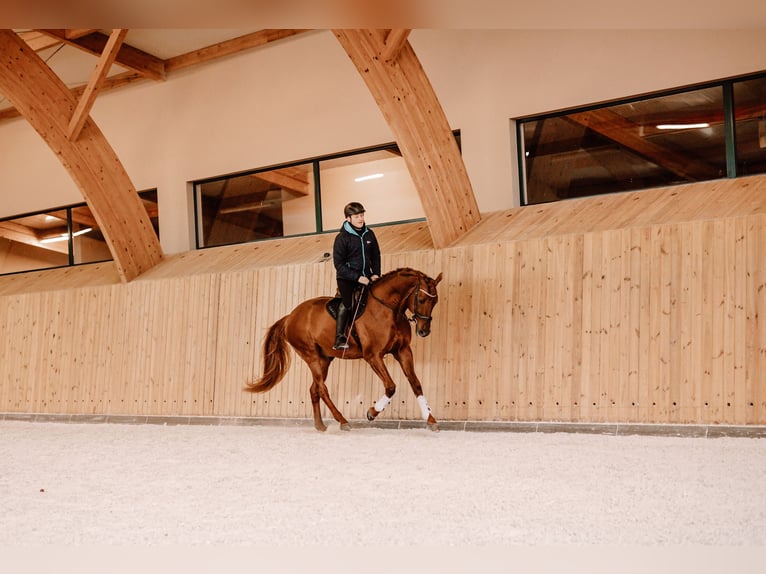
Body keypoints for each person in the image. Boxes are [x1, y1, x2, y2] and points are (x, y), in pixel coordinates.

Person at [332, 201, 381, 350]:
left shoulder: (369, 234)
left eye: (362, 215)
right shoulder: (342, 238)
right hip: (347, 279)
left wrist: (376, 274)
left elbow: (376, 255)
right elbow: (338, 265)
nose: (360, 219)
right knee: (348, 304)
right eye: (357, 216)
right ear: (348, 219)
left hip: (368, 278)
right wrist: (358, 277)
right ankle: (339, 337)